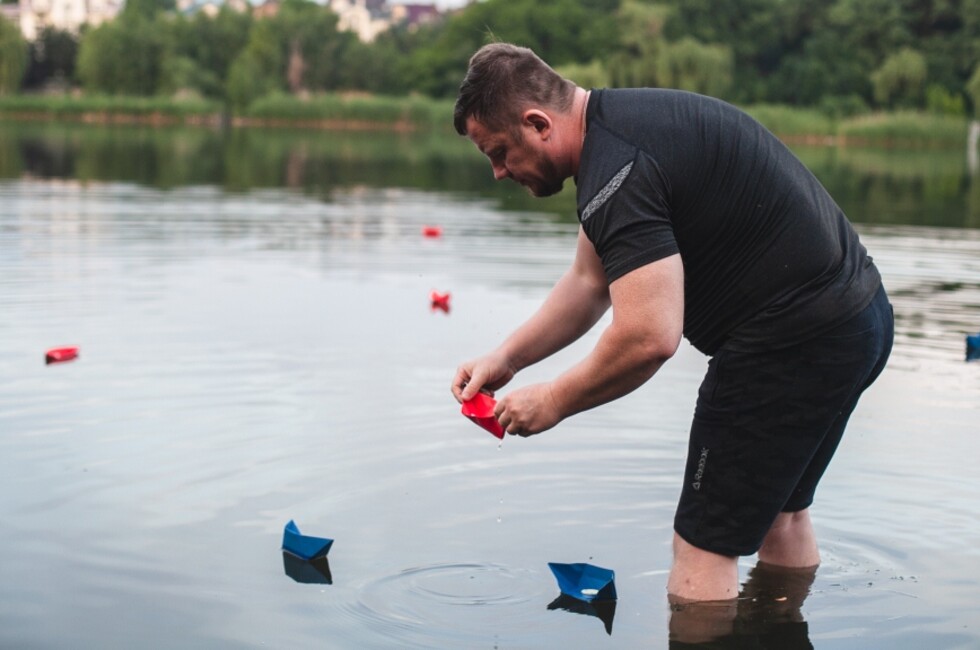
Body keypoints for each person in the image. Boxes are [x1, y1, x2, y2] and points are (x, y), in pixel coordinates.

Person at [449, 42, 893, 603]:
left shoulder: (619, 169)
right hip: (859, 321)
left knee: (702, 549)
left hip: (789, 343)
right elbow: (589, 285)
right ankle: (775, 629)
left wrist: (554, 400)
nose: (496, 172)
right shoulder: (620, 135)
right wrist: (506, 358)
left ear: (538, 123)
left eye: (499, 152)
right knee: (782, 516)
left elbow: (649, 336)